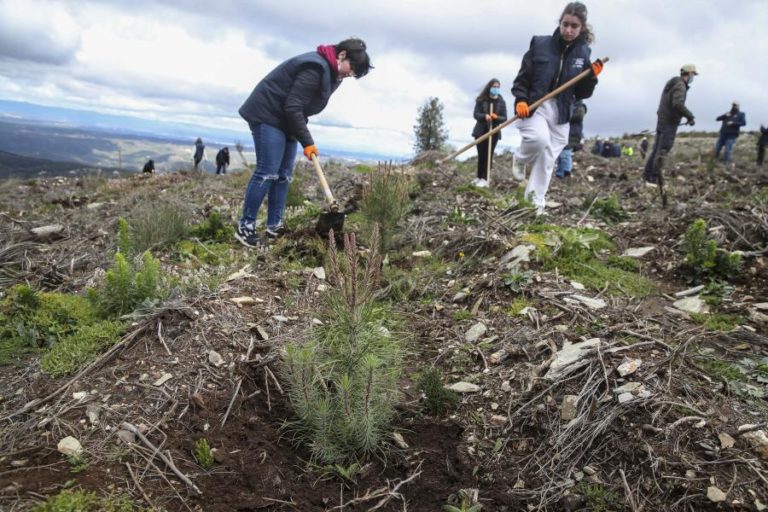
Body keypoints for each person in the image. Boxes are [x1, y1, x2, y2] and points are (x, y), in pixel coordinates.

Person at [235, 38, 372, 247]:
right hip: (268, 114)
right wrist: (307, 142)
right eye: (351, 68)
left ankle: (275, 227)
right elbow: (293, 106)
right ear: (342, 54)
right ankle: (245, 227)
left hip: (287, 120)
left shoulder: (333, 75)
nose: (350, 74)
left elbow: (299, 108)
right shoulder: (314, 67)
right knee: (267, 172)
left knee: (283, 176)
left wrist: (302, 137)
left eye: (354, 74)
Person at [510, 1, 601, 213]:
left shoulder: (583, 52)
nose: (568, 30)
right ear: (559, 23)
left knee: (547, 160)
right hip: (536, 105)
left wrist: (592, 77)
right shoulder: (540, 44)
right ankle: (520, 157)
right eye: (565, 24)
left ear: (582, 28)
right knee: (538, 139)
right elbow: (522, 78)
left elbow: (582, 94)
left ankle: (534, 206)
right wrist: (521, 100)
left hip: (562, 112)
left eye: (574, 26)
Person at [643, 64, 697, 187]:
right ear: (688, 74)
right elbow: (677, 104)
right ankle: (654, 179)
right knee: (662, 150)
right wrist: (690, 116)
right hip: (669, 122)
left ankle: (648, 176)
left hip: (662, 120)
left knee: (657, 149)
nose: (693, 77)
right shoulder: (680, 86)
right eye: (693, 74)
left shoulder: (673, 83)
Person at [471, 78, 508, 188]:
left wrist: (496, 117)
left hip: (494, 132)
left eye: (498, 87)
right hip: (481, 131)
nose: (496, 89)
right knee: (481, 155)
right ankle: (478, 177)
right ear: (489, 87)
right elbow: (476, 114)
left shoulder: (501, 102)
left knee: (488, 155)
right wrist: (485, 116)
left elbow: (504, 118)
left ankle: (485, 178)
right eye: (494, 86)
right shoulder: (481, 100)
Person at [555, 100, 586, 178]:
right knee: (561, 154)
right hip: (565, 133)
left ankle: (566, 172)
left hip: (572, 135)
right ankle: (560, 173)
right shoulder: (568, 105)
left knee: (566, 153)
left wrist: (564, 114)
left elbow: (578, 116)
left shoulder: (579, 108)